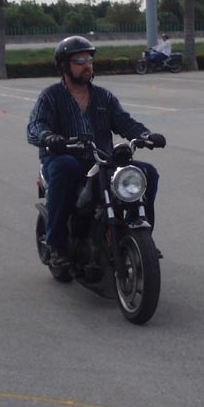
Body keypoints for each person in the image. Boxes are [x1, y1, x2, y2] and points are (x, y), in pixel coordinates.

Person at [27, 36, 166, 267]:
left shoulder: (104, 97)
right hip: (65, 158)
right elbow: (35, 126)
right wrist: (48, 137)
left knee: (147, 173)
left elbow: (125, 122)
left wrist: (145, 136)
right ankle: (57, 245)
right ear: (64, 66)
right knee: (64, 167)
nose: (87, 66)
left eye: (89, 60)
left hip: (101, 161)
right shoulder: (51, 96)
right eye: (79, 61)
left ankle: (141, 234)